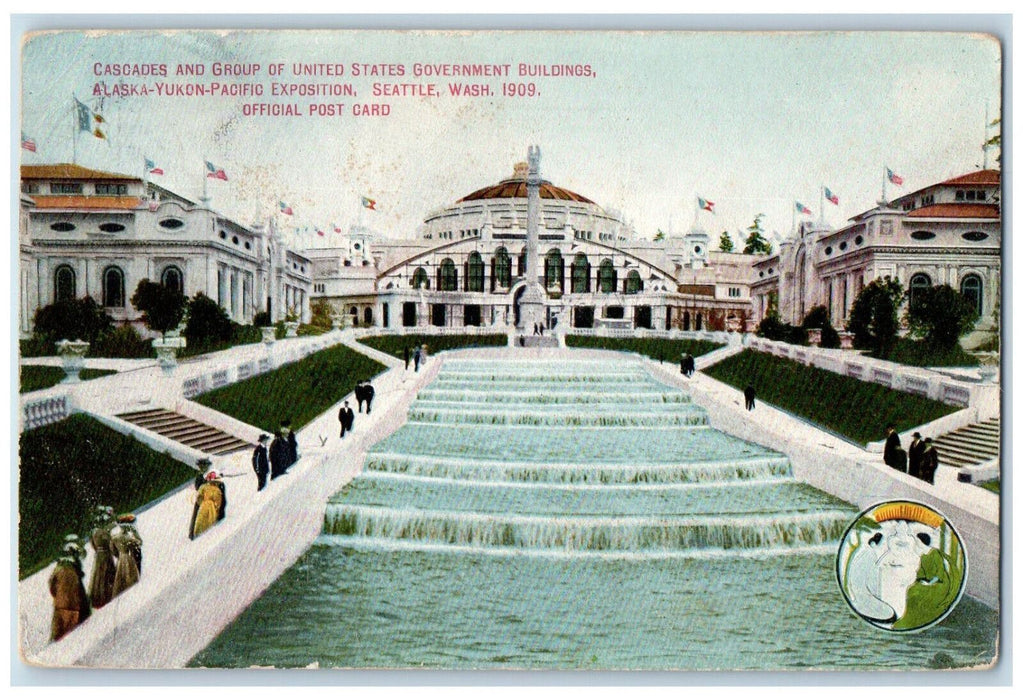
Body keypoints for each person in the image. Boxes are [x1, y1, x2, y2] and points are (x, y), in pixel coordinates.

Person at [49, 535, 90, 642]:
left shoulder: (58, 568)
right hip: (74, 604)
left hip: (61, 604)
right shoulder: (73, 569)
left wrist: (58, 597)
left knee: (59, 633)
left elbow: (51, 585)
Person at [88, 505, 117, 609]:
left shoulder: (93, 532)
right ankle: (107, 594)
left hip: (99, 555)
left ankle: (99, 596)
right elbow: (110, 541)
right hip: (105, 554)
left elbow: (93, 544)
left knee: (99, 575)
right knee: (107, 573)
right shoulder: (103, 532)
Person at [110, 514, 142, 597]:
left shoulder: (115, 537)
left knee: (121, 574)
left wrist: (120, 555)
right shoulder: (127, 538)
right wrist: (135, 532)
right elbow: (139, 542)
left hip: (121, 557)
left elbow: (113, 550)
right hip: (129, 557)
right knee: (130, 575)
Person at [190, 471, 226, 540]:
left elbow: (198, 500)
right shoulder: (217, 489)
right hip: (213, 508)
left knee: (201, 520)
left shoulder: (204, 488)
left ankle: (197, 533)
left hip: (206, 506)